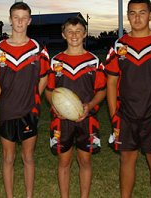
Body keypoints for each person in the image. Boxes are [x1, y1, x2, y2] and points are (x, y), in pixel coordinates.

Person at [105, 0, 151, 197]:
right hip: (126, 114)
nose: (137, 17)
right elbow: (111, 84)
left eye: (142, 12)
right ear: (127, 15)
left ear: (150, 14)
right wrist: (114, 116)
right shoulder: (118, 46)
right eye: (132, 13)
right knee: (126, 159)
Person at [0, 2, 50, 198]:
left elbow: (44, 77)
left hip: (28, 111)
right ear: (10, 19)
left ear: (29, 21)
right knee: (8, 157)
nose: (20, 21)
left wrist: (34, 99)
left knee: (28, 157)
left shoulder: (38, 48)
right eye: (16, 17)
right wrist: (2, 100)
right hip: (7, 111)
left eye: (24, 17)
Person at [45, 17, 107, 198]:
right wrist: (55, 107)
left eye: (79, 31)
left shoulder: (94, 62)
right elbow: (49, 90)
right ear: (63, 35)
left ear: (85, 34)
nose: (74, 35)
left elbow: (102, 91)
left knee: (85, 161)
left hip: (86, 119)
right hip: (61, 120)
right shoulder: (55, 62)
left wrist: (90, 105)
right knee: (64, 162)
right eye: (70, 31)